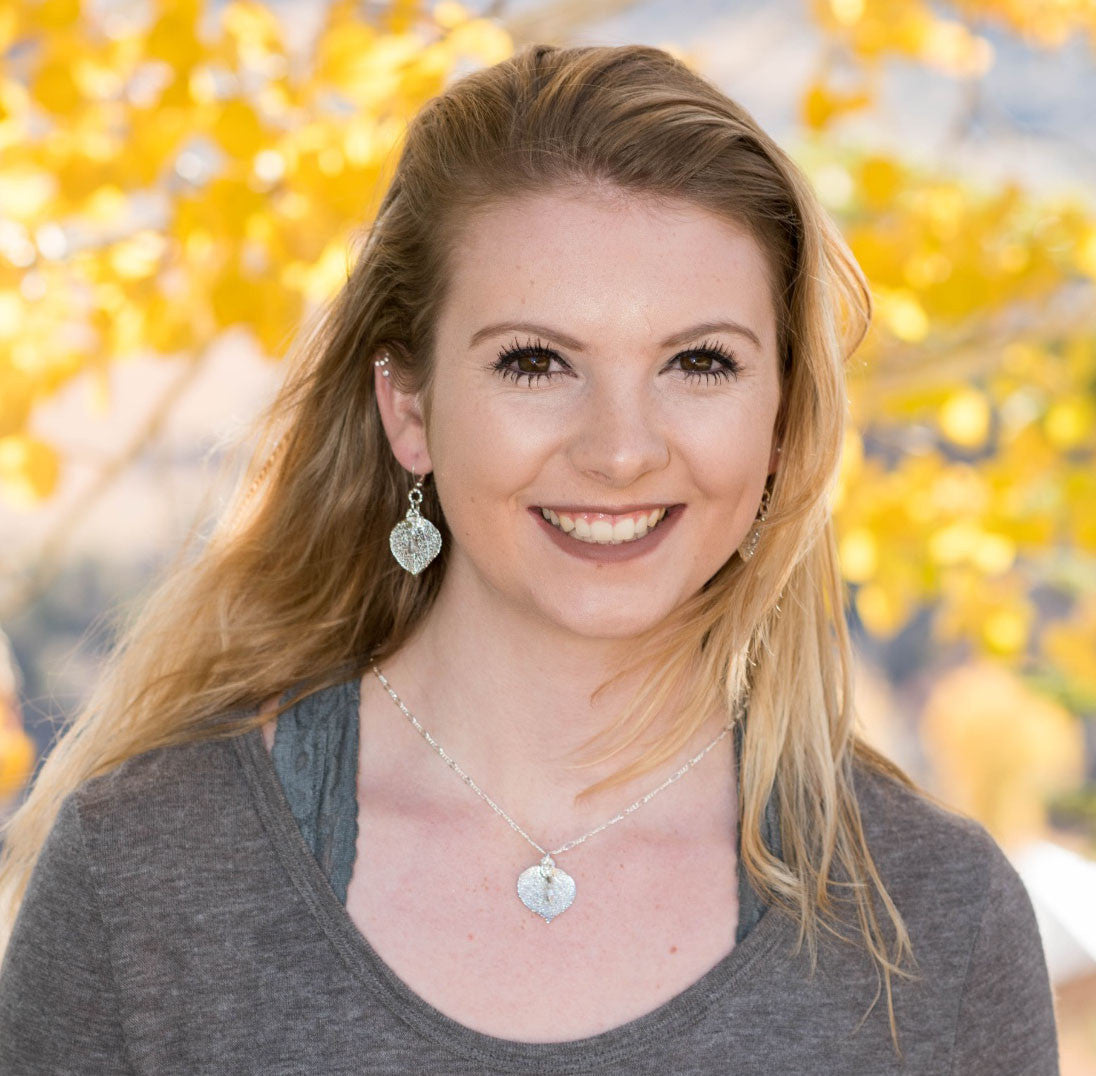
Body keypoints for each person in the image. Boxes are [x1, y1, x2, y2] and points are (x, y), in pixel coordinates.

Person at [0, 43, 1058, 1074]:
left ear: (782, 418)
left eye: (699, 362)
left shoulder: (935, 921)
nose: (620, 449)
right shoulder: (146, 878)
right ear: (407, 407)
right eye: (535, 360)